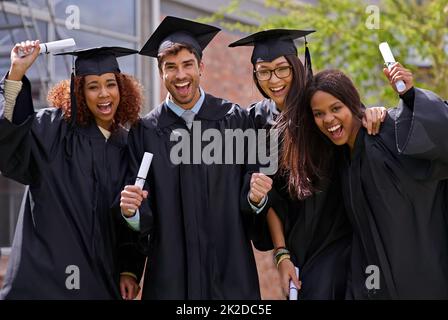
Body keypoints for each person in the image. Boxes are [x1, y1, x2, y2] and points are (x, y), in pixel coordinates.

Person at [229, 29, 386, 299]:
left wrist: (376, 112)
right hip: (298, 245)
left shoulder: (318, 102)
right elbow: (270, 197)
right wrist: (281, 255)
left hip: (341, 237)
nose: (274, 80)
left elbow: (354, 123)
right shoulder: (255, 120)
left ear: (296, 67)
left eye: (282, 69)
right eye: (264, 71)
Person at [119, 16, 261, 299]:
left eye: (187, 65)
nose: (180, 75)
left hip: (228, 269)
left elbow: (251, 192)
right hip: (172, 274)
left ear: (201, 67)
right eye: (170, 67)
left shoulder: (233, 120)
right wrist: (131, 212)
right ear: (161, 73)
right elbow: (139, 208)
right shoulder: (145, 131)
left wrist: (256, 198)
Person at [287, 64, 448, 299]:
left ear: (352, 103)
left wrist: (410, 96)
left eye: (336, 108)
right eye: (318, 114)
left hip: (423, 277)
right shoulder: (340, 160)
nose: (328, 119)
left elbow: (438, 136)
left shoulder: (388, 133)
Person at [0, 41, 145, 299]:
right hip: (44, 282)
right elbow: (11, 147)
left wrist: (129, 270)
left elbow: (130, 220)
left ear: (122, 89)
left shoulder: (128, 145)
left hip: (100, 281)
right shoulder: (52, 130)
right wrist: (17, 73)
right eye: (92, 86)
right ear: (79, 91)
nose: (103, 94)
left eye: (110, 84)